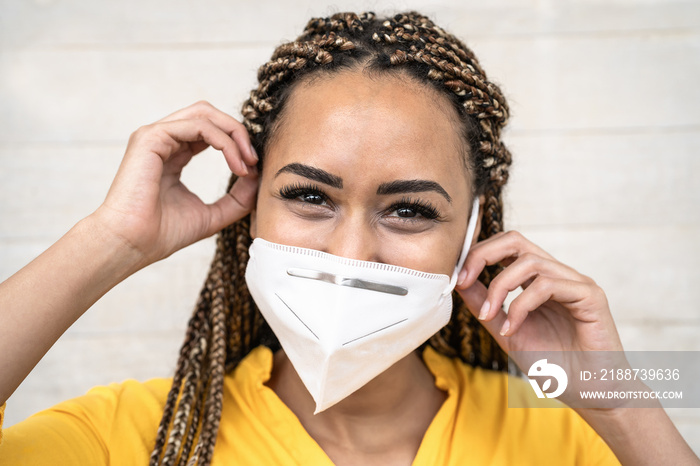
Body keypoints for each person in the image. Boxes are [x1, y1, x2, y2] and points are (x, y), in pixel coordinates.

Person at [0, 10, 696, 466]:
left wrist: (617, 392)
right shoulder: (138, 433)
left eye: (410, 211)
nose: (350, 252)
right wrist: (109, 241)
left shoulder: (567, 431)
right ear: (250, 210)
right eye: (309, 197)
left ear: (473, 233)